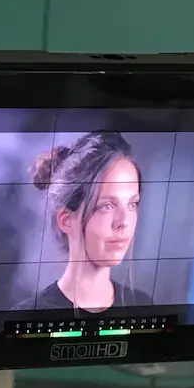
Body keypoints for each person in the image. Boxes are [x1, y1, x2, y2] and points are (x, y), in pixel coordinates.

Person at [31, 131, 153, 312]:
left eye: (132, 204)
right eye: (107, 206)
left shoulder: (143, 307)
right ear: (66, 220)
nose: (123, 222)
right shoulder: (30, 315)